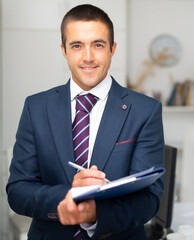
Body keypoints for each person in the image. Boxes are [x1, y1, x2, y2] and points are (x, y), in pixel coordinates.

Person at [6, 4, 164, 240]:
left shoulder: (145, 110)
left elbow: (149, 199)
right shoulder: (36, 107)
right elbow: (18, 191)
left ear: (112, 49)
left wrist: (95, 213)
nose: (88, 57)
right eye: (77, 45)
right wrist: (71, 195)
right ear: (64, 50)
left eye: (98, 45)